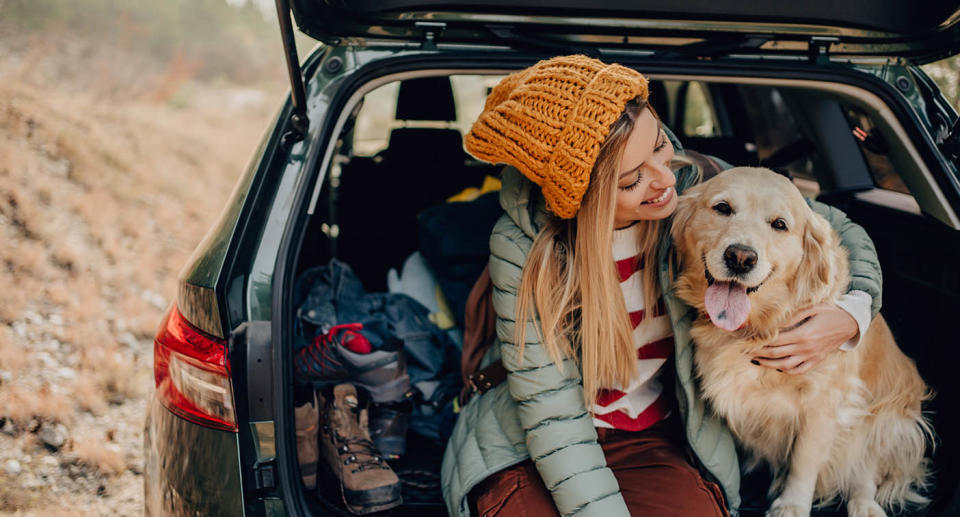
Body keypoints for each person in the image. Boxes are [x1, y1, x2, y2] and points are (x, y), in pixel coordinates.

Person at [440, 55, 880, 516]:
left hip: (654, 435)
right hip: (532, 441)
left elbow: (837, 228)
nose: (666, 178)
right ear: (583, 197)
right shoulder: (523, 247)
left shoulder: (700, 182)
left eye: (659, 144)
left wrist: (852, 313)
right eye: (633, 180)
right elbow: (552, 417)